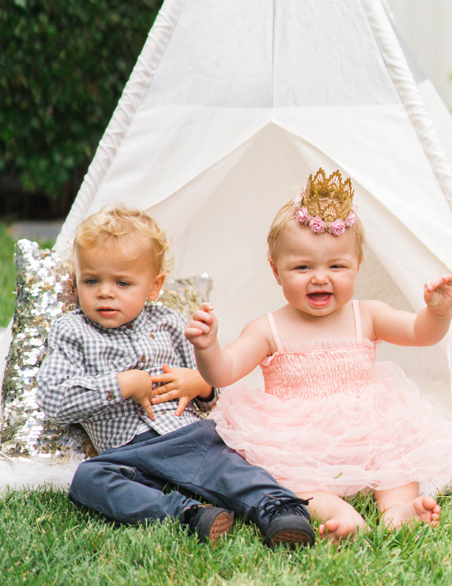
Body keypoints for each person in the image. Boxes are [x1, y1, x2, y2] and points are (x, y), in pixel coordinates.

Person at [185, 167, 452, 542]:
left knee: (395, 459)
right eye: (302, 267)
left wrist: (438, 311)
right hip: (296, 436)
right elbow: (224, 372)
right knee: (288, 478)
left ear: (357, 266)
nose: (320, 277)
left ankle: (399, 508)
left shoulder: (366, 315)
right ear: (276, 271)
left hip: (367, 425)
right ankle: (338, 512)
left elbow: (421, 333)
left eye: (336, 266)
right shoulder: (267, 328)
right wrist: (208, 348)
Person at [37, 206, 315, 548]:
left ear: (154, 287)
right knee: (89, 480)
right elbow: (53, 399)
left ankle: (281, 512)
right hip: (124, 452)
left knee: (230, 469)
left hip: (184, 436)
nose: (105, 292)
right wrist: (121, 385)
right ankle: (189, 514)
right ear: (76, 280)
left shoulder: (168, 322)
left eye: (122, 282)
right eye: (91, 280)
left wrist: (201, 385)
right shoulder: (70, 330)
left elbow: (210, 385)